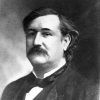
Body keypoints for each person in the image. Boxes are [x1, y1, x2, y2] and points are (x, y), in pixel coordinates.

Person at [1, 7, 98, 100]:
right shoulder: (11, 90)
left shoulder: (88, 92)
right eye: (31, 33)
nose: (36, 42)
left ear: (65, 41)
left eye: (46, 34)